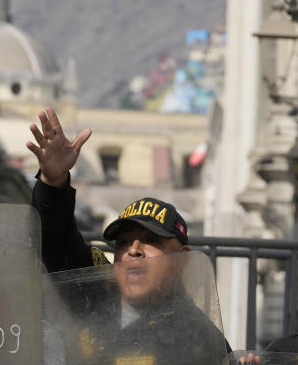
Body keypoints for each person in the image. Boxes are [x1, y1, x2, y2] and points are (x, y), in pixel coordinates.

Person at [27, 106, 189, 273]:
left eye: (153, 241)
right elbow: (56, 244)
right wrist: (53, 182)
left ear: (182, 259)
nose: (134, 251)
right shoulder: (102, 290)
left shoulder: (189, 299)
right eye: (124, 242)